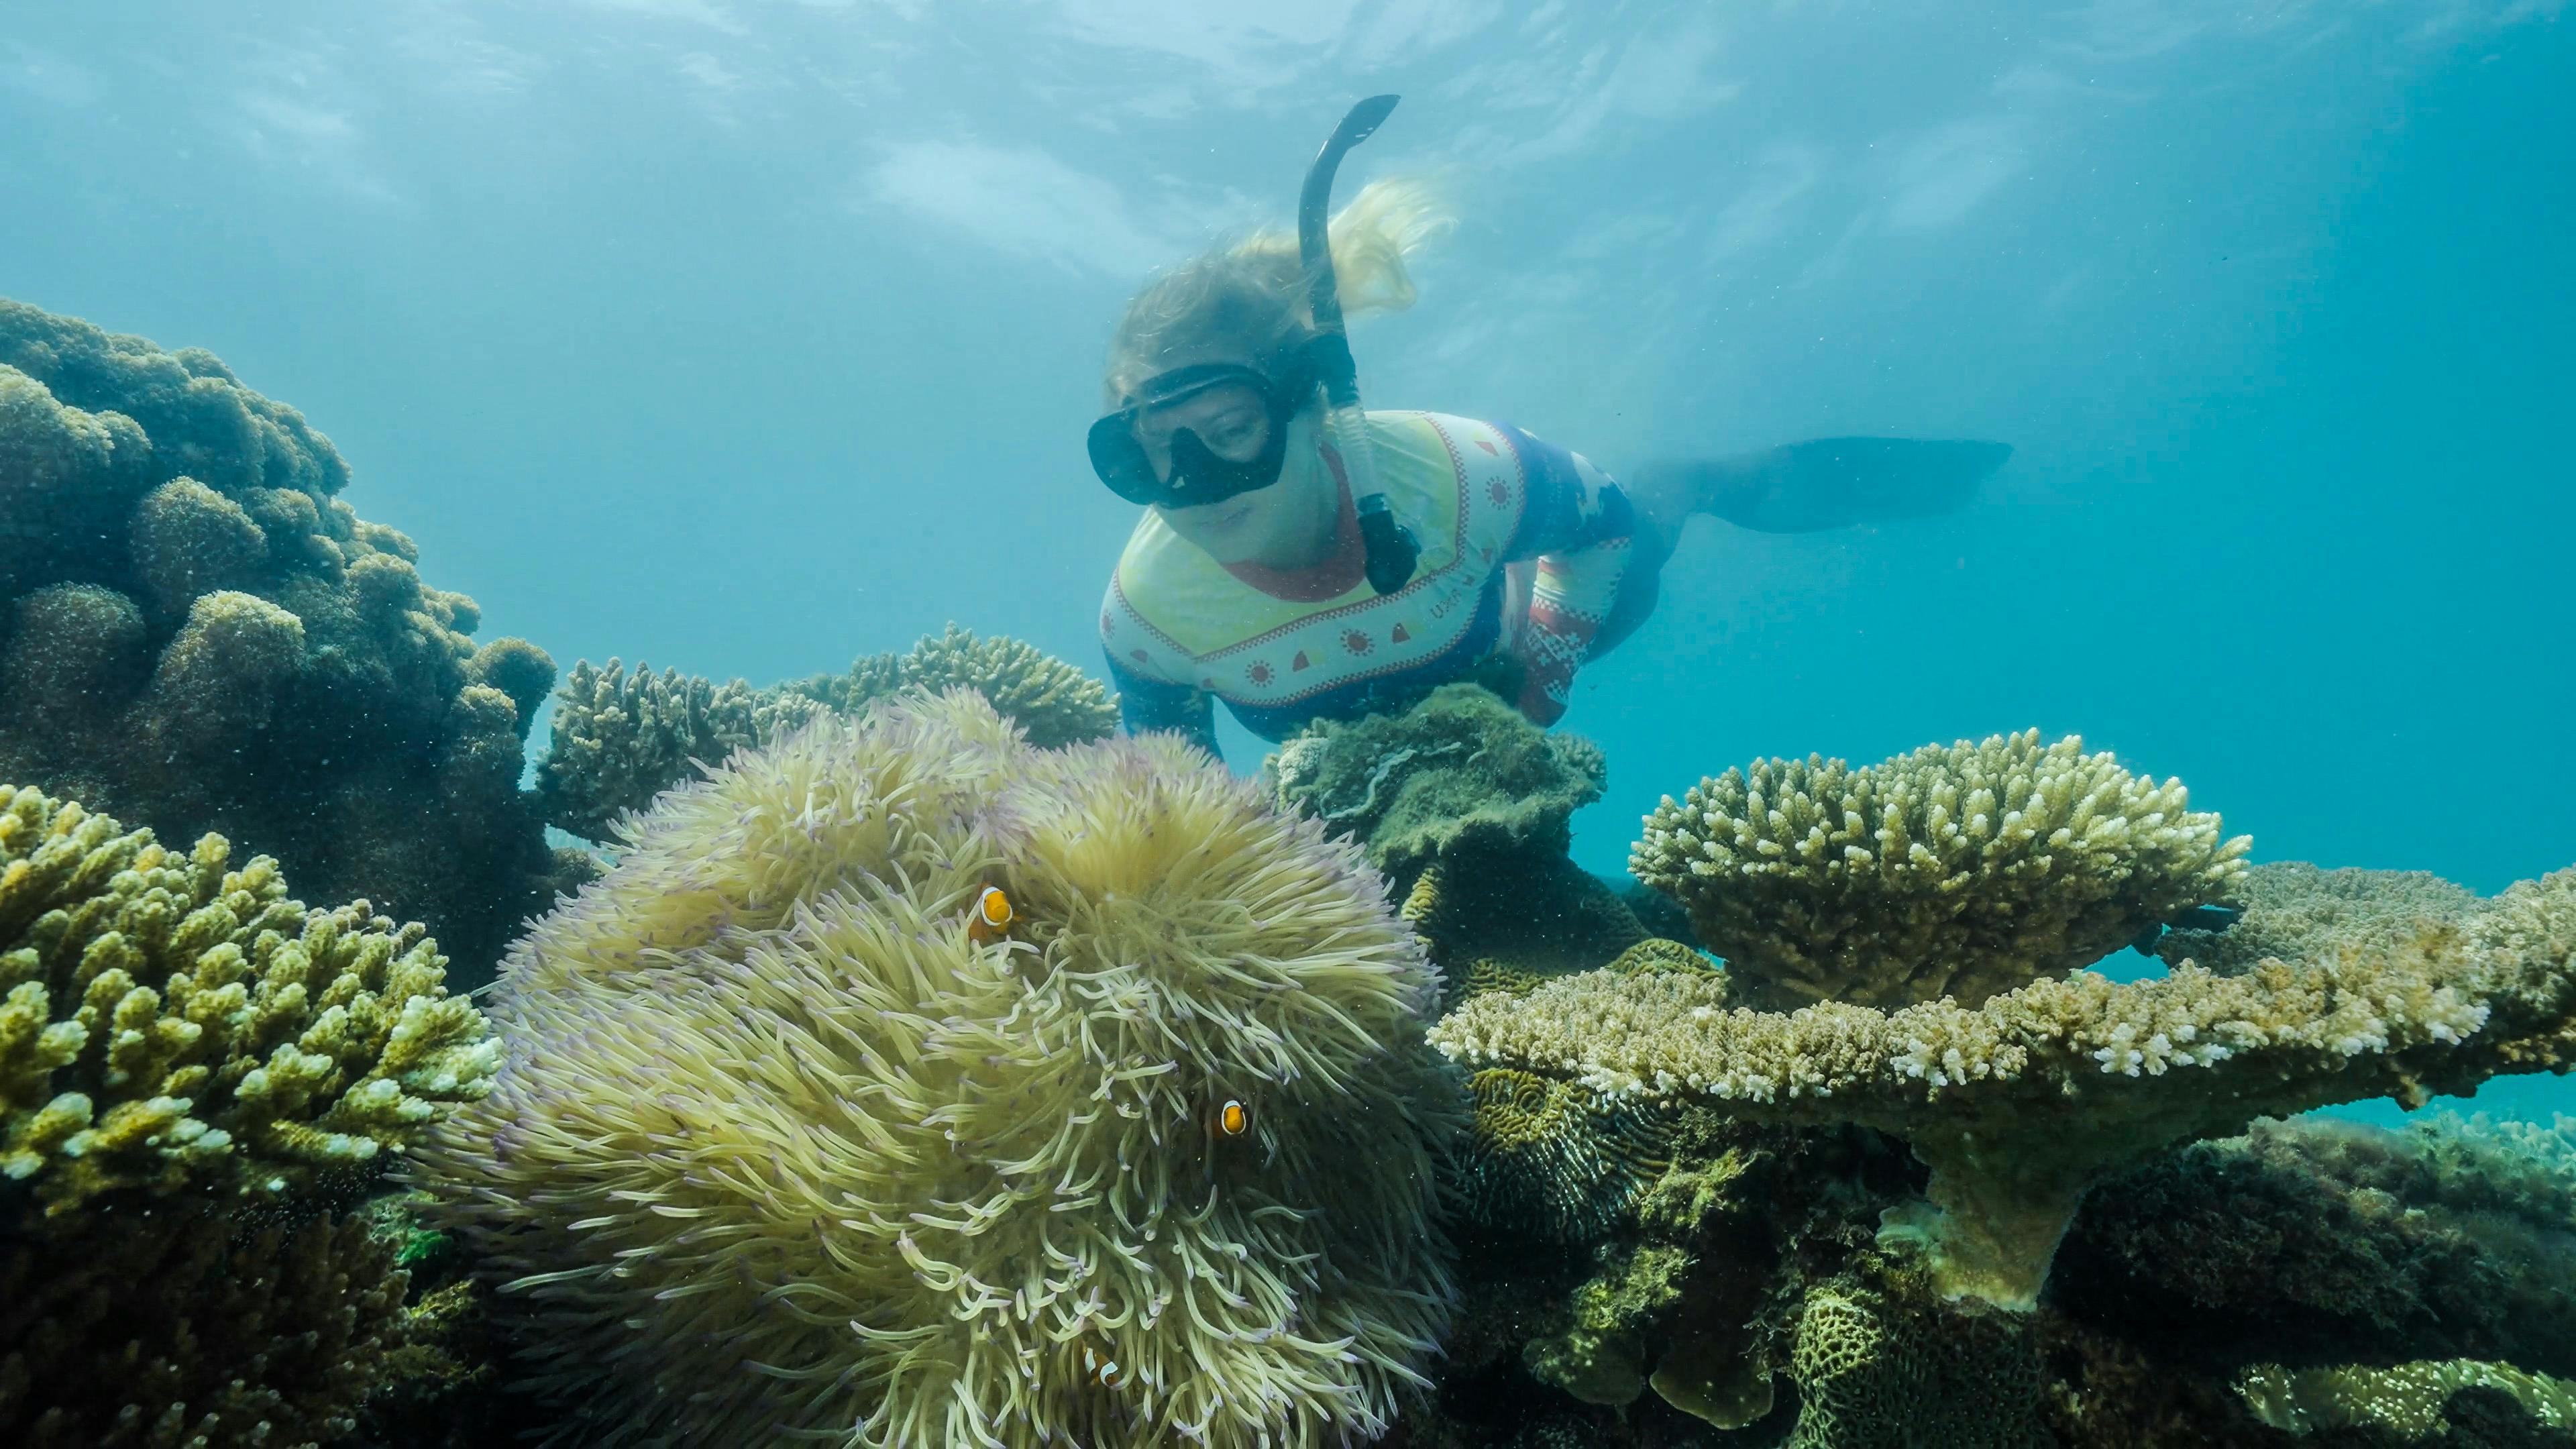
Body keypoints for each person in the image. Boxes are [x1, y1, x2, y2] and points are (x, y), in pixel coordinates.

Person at [1091, 172, 2008, 759]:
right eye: (1148, 451)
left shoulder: (1465, 472)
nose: (1188, 485)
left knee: (1646, 523)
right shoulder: (1144, 621)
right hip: (1387, 758)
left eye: (1226, 429)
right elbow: (1184, 805)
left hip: (1517, 628)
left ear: (1313, 408)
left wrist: (1542, 677)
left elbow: (1601, 523)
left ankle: (1696, 479)